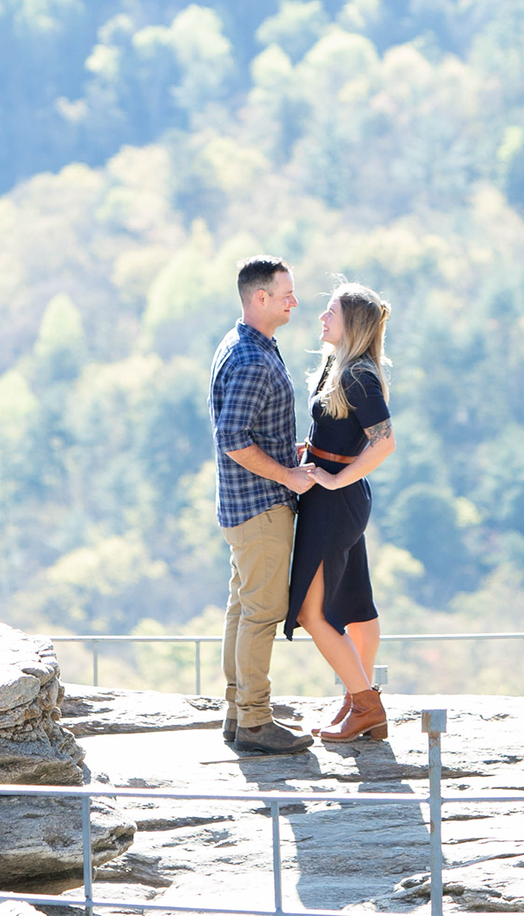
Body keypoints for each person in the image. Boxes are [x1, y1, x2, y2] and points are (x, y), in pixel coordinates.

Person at [211, 255, 315, 754]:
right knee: (262, 613)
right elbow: (233, 437)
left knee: (243, 608)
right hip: (261, 507)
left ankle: (237, 712)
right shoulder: (252, 358)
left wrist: (283, 454)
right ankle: (254, 720)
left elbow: (245, 432)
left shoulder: (244, 345)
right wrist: (289, 475)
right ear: (261, 298)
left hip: (243, 504)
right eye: (287, 292)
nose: (295, 300)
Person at [285, 281, 398, 743]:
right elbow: (344, 433)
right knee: (356, 604)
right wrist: (314, 452)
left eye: (330, 311)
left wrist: (334, 477)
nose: (321, 318)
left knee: (313, 614)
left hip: (335, 501)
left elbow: (385, 441)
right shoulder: (342, 367)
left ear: (351, 322)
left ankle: (365, 705)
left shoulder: (356, 376)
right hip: (340, 498)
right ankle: (357, 702)